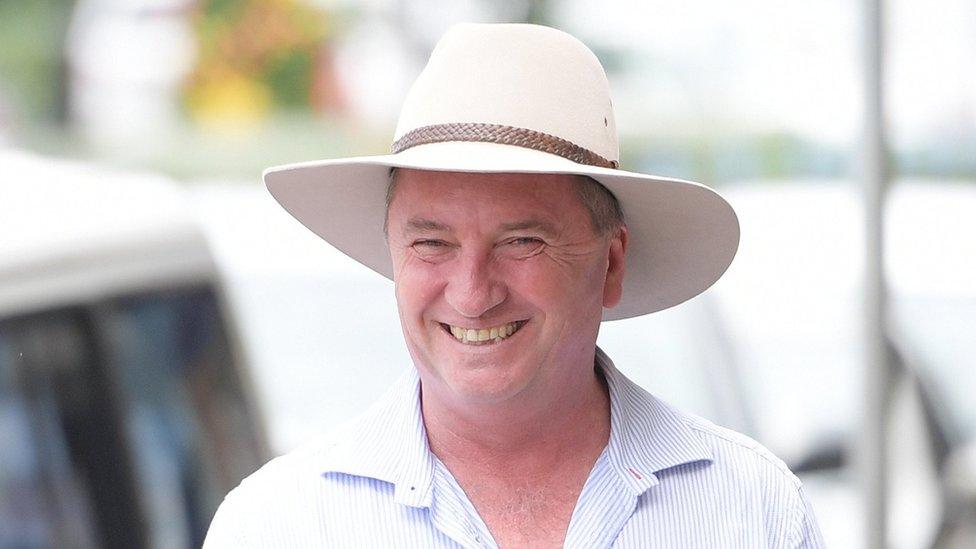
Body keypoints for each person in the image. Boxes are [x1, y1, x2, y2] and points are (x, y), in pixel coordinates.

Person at [204, 23, 824, 548]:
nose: (473, 293)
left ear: (610, 264)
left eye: (522, 242)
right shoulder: (278, 526)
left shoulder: (750, 512)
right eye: (431, 244)